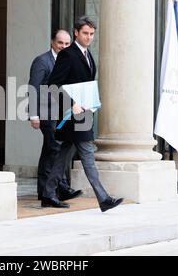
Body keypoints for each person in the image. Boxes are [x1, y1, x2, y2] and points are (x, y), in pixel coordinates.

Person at [43, 16, 124, 212]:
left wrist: (92, 102)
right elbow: (52, 85)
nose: (89, 37)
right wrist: (72, 104)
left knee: (62, 155)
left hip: (83, 115)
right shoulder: (67, 54)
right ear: (76, 33)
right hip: (72, 116)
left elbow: (85, 84)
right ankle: (103, 198)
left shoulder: (88, 55)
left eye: (92, 34)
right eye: (85, 33)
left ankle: (48, 193)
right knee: (88, 155)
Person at [28, 30, 82, 202]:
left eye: (67, 44)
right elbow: (34, 89)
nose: (64, 47)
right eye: (60, 43)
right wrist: (34, 115)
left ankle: (45, 191)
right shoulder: (42, 61)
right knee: (56, 149)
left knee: (51, 151)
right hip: (46, 113)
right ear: (52, 42)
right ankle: (61, 188)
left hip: (63, 114)